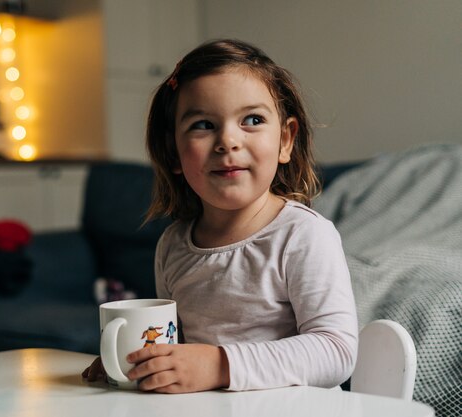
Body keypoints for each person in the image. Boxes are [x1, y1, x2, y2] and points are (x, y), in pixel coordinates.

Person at [83, 38, 358, 394]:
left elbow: (336, 352)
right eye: (203, 125)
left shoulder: (303, 235)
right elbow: (177, 349)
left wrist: (219, 365)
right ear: (173, 152)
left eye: (252, 120)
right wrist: (139, 362)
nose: (228, 141)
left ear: (285, 141)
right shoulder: (172, 246)